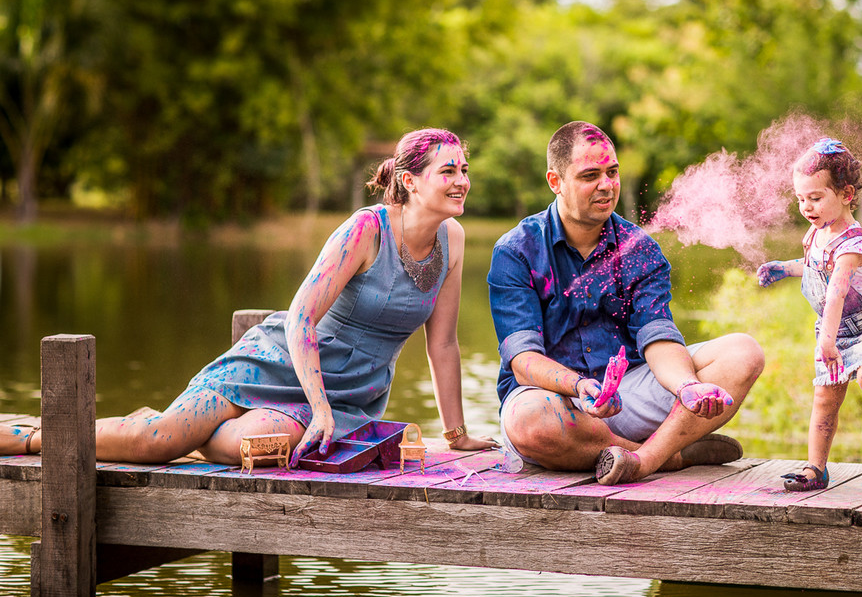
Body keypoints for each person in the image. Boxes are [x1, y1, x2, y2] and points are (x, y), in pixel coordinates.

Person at [2, 128, 497, 464]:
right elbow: (302, 317)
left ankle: (181, 427)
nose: (462, 182)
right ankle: (30, 438)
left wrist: (457, 437)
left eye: (464, 170)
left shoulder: (452, 240)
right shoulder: (366, 230)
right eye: (448, 172)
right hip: (281, 360)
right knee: (159, 443)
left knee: (262, 450)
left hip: (353, 392)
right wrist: (318, 408)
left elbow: (444, 346)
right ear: (410, 181)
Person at [488, 121, 764, 485]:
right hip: (558, 400)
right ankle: (670, 456)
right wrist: (578, 386)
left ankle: (643, 460)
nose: (606, 185)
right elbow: (523, 362)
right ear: (555, 182)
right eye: (590, 175)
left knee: (743, 353)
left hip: (628, 394)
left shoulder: (640, 248)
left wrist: (685, 387)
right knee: (529, 422)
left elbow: (658, 337)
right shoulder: (517, 250)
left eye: (612, 172)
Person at [756, 137, 862, 491]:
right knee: (825, 398)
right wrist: (785, 268)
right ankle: (815, 469)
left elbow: (836, 291)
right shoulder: (815, 234)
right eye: (801, 199)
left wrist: (827, 340)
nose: (806, 207)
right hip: (831, 330)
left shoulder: (854, 244)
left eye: (815, 198)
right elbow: (815, 268)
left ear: (846, 194)